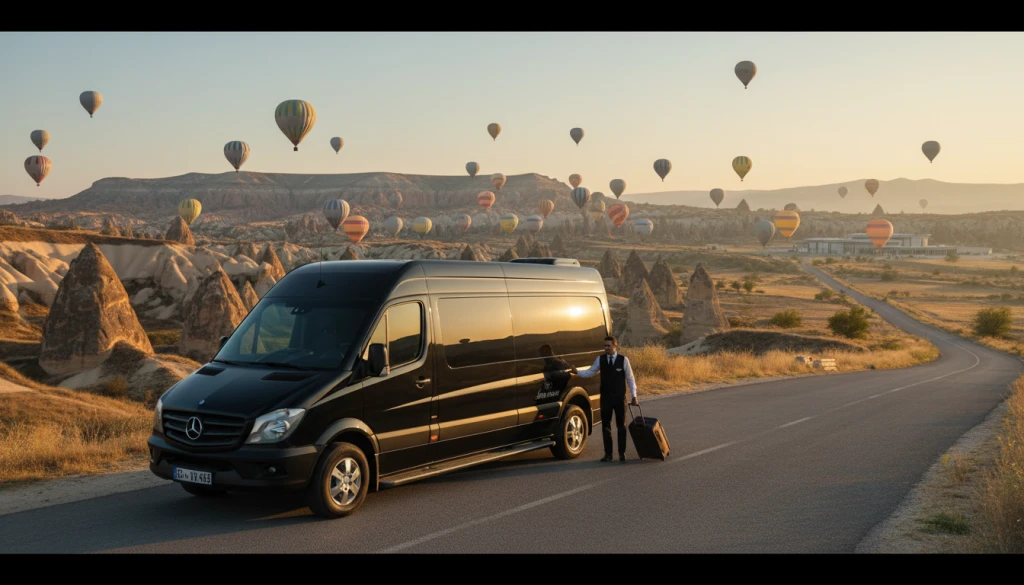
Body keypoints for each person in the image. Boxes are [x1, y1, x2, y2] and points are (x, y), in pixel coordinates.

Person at [570, 335, 638, 462]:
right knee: (605, 427)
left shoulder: (624, 360)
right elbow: (590, 372)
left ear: (615, 346)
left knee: (621, 426)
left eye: (608, 345)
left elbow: (630, 378)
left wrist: (634, 395)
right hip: (606, 398)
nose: (606, 348)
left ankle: (622, 454)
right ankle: (608, 454)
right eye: (605, 346)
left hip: (619, 399)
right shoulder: (600, 360)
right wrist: (577, 372)